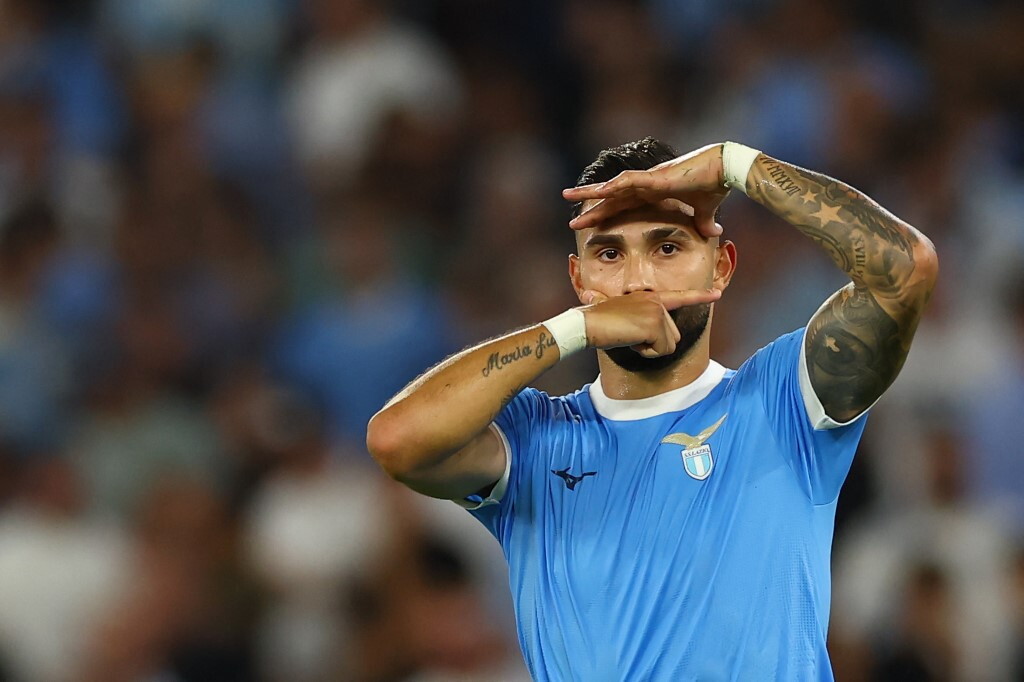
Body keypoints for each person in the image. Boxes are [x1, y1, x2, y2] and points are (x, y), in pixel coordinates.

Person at [366, 138, 938, 680]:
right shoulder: (532, 438)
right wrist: (573, 328)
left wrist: (734, 163)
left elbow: (906, 269)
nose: (638, 279)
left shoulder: (785, 399)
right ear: (579, 280)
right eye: (609, 253)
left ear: (721, 266)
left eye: (667, 248)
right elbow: (396, 438)